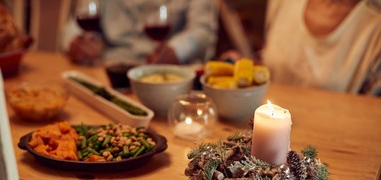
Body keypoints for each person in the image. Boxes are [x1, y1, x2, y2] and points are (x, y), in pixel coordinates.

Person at [221, 0, 381, 96]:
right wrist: (247, 67)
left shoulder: (374, 28)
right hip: (269, 134)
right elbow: (276, 69)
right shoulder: (284, 3)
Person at [62, 0, 219, 66]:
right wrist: (75, 43)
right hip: (110, 68)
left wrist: (177, 50)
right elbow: (77, 21)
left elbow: (203, 30)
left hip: (168, 75)